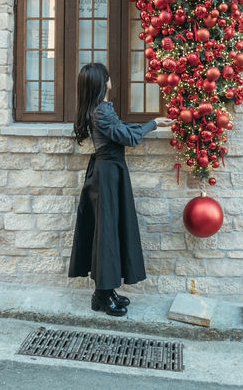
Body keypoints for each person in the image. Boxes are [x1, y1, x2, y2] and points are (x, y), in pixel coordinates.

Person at [68, 62, 172, 317]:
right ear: (103, 81)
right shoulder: (101, 112)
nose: (111, 77)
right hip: (106, 176)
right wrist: (154, 125)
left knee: (109, 231)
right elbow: (129, 137)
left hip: (108, 174)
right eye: (109, 75)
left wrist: (151, 123)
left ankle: (104, 292)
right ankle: (102, 295)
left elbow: (124, 130)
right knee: (106, 234)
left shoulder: (100, 110)